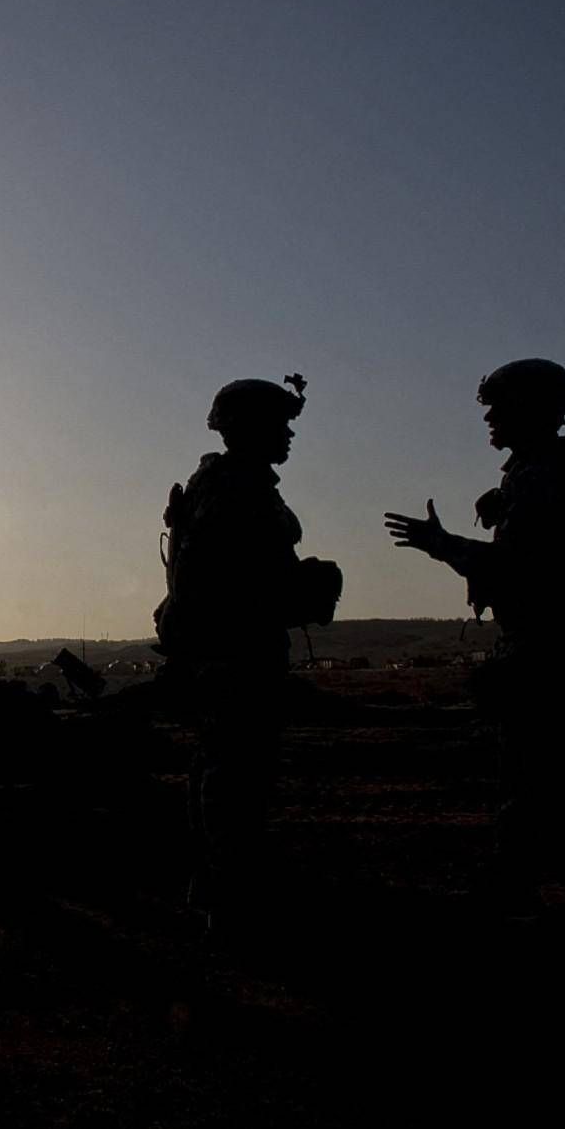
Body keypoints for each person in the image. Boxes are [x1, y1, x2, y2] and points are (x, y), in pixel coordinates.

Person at [384, 359, 565, 925]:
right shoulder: (563, 471)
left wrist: (441, 544)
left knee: (532, 773)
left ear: (531, 410)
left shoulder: (542, 478)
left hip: (546, 648)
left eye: (499, 409)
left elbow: (516, 570)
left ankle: (523, 892)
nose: (490, 420)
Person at [157, 376, 341, 935]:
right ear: (249, 428)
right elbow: (238, 586)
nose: (288, 435)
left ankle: (219, 888)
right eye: (279, 425)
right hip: (236, 655)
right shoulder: (237, 490)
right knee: (235, 778)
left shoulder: (224, 484)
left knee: (223, 771)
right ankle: (231, 899)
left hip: (226, 653)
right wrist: (311, 586)